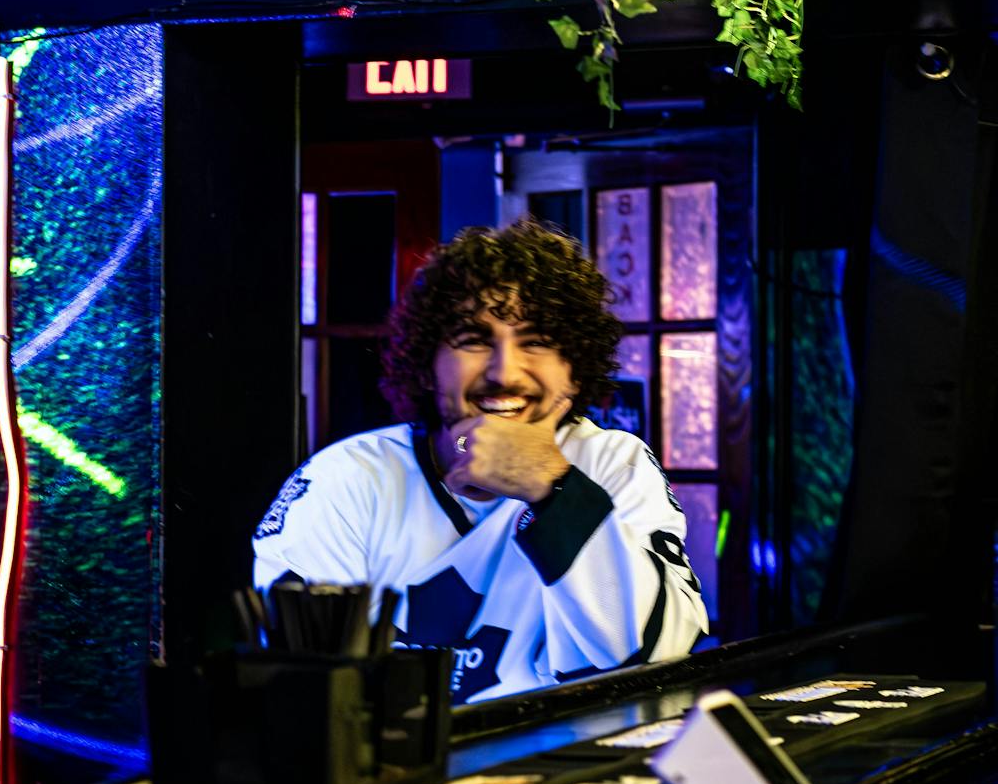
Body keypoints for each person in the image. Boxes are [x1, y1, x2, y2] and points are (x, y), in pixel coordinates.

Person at [253, 217, 708, 703]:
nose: (504, 372)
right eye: (474, 340)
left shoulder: (612, 464)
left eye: (535, 341)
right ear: (428, 365)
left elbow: (660, 660)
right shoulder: (343, 480)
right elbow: (305, 694)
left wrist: (552, 487)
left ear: (575, 373)